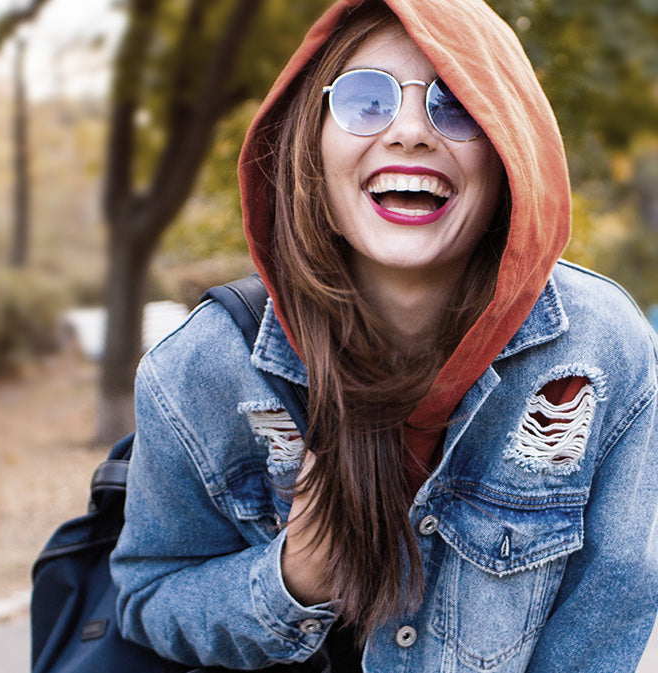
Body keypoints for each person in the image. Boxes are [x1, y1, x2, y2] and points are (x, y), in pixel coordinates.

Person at [109, 0, 658, 671]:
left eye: (455, 104)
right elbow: (146, 597)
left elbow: (611, 609)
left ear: (510, 152)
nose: (409, 131)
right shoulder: (197, 370)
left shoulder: (603, 350)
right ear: (311, 148)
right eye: (365, 100)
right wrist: (292, 578)